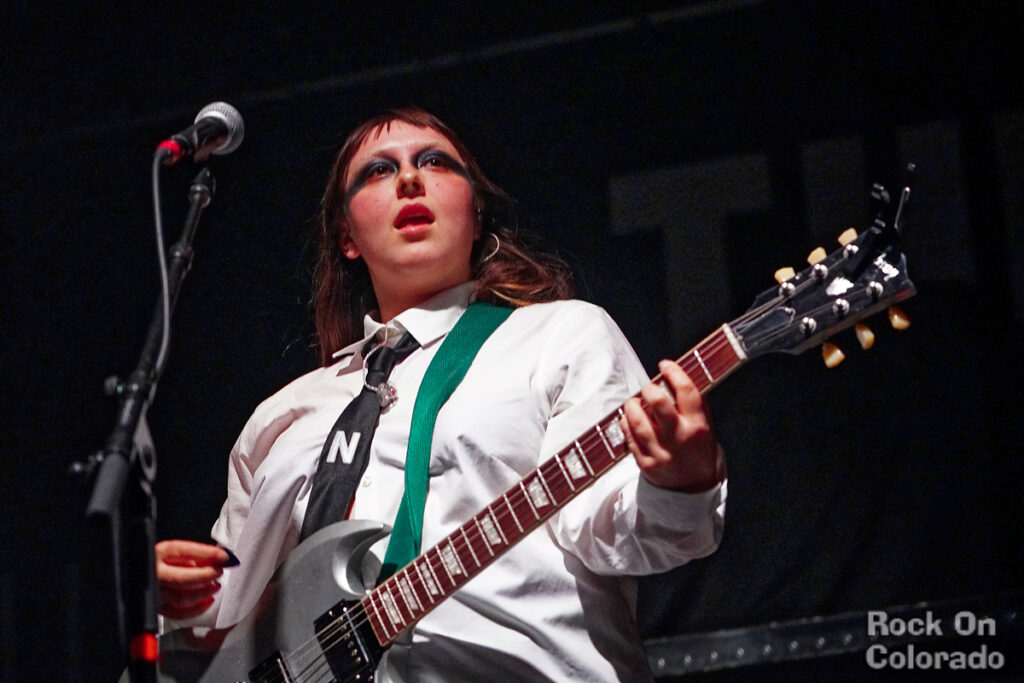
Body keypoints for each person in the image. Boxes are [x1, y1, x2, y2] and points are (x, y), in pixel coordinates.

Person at [155, 107, 727, 682]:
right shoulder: (279, 417)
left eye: (434, 162)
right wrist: (173, 605)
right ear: (347, 236)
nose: (409, 178)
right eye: (378, 171)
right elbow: (230, 622)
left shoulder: (561, 336)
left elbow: (625, 536)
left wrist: (679, 481)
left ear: (475, 216)